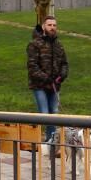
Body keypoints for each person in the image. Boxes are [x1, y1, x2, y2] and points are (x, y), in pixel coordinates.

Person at [27, 15, 68, 147]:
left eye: (54, 25)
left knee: (54, 112)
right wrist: (46, 78)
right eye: (50, 25)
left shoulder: (59, 45)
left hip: (55, 85)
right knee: (44, 113)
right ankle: (44, 138)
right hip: (39, 85)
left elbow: (64, 63)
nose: (52, 28)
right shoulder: (35, 44)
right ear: (44, 26)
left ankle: (51, 141)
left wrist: (61, 77)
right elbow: (32, 67)